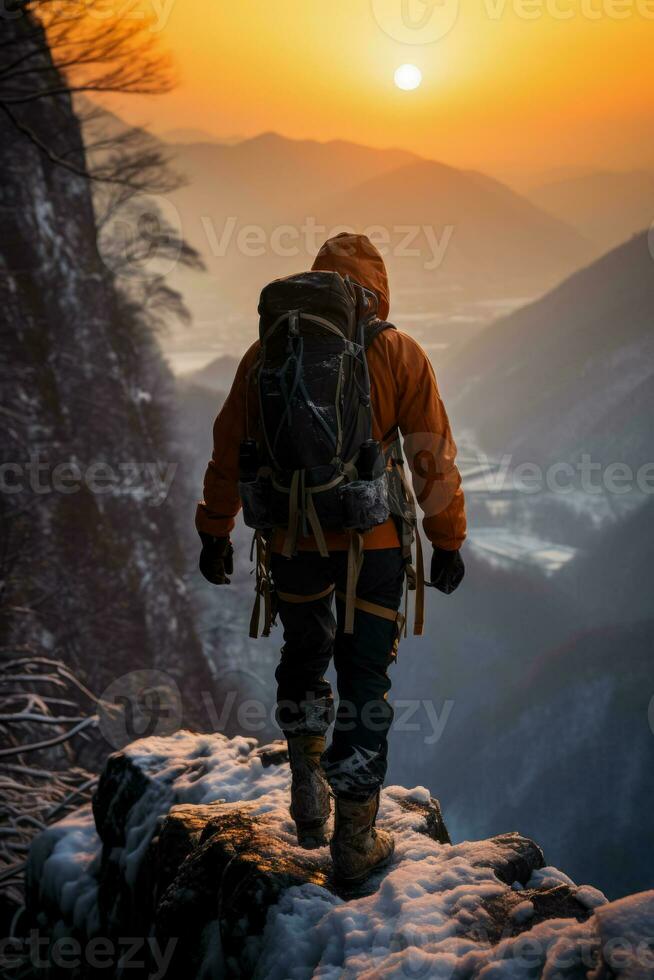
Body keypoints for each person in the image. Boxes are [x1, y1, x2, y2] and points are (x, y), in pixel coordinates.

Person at [197, 233, 466, 883]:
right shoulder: (399, 352)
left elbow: (230, 445)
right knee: (365, 681)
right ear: (375, 288)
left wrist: (214, 530)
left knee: (305, 655)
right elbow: (430, 455)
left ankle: (307, 796)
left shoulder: (269, 353)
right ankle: (353, 841)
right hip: (372, 546)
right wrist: (448, 539)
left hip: (291, 543)